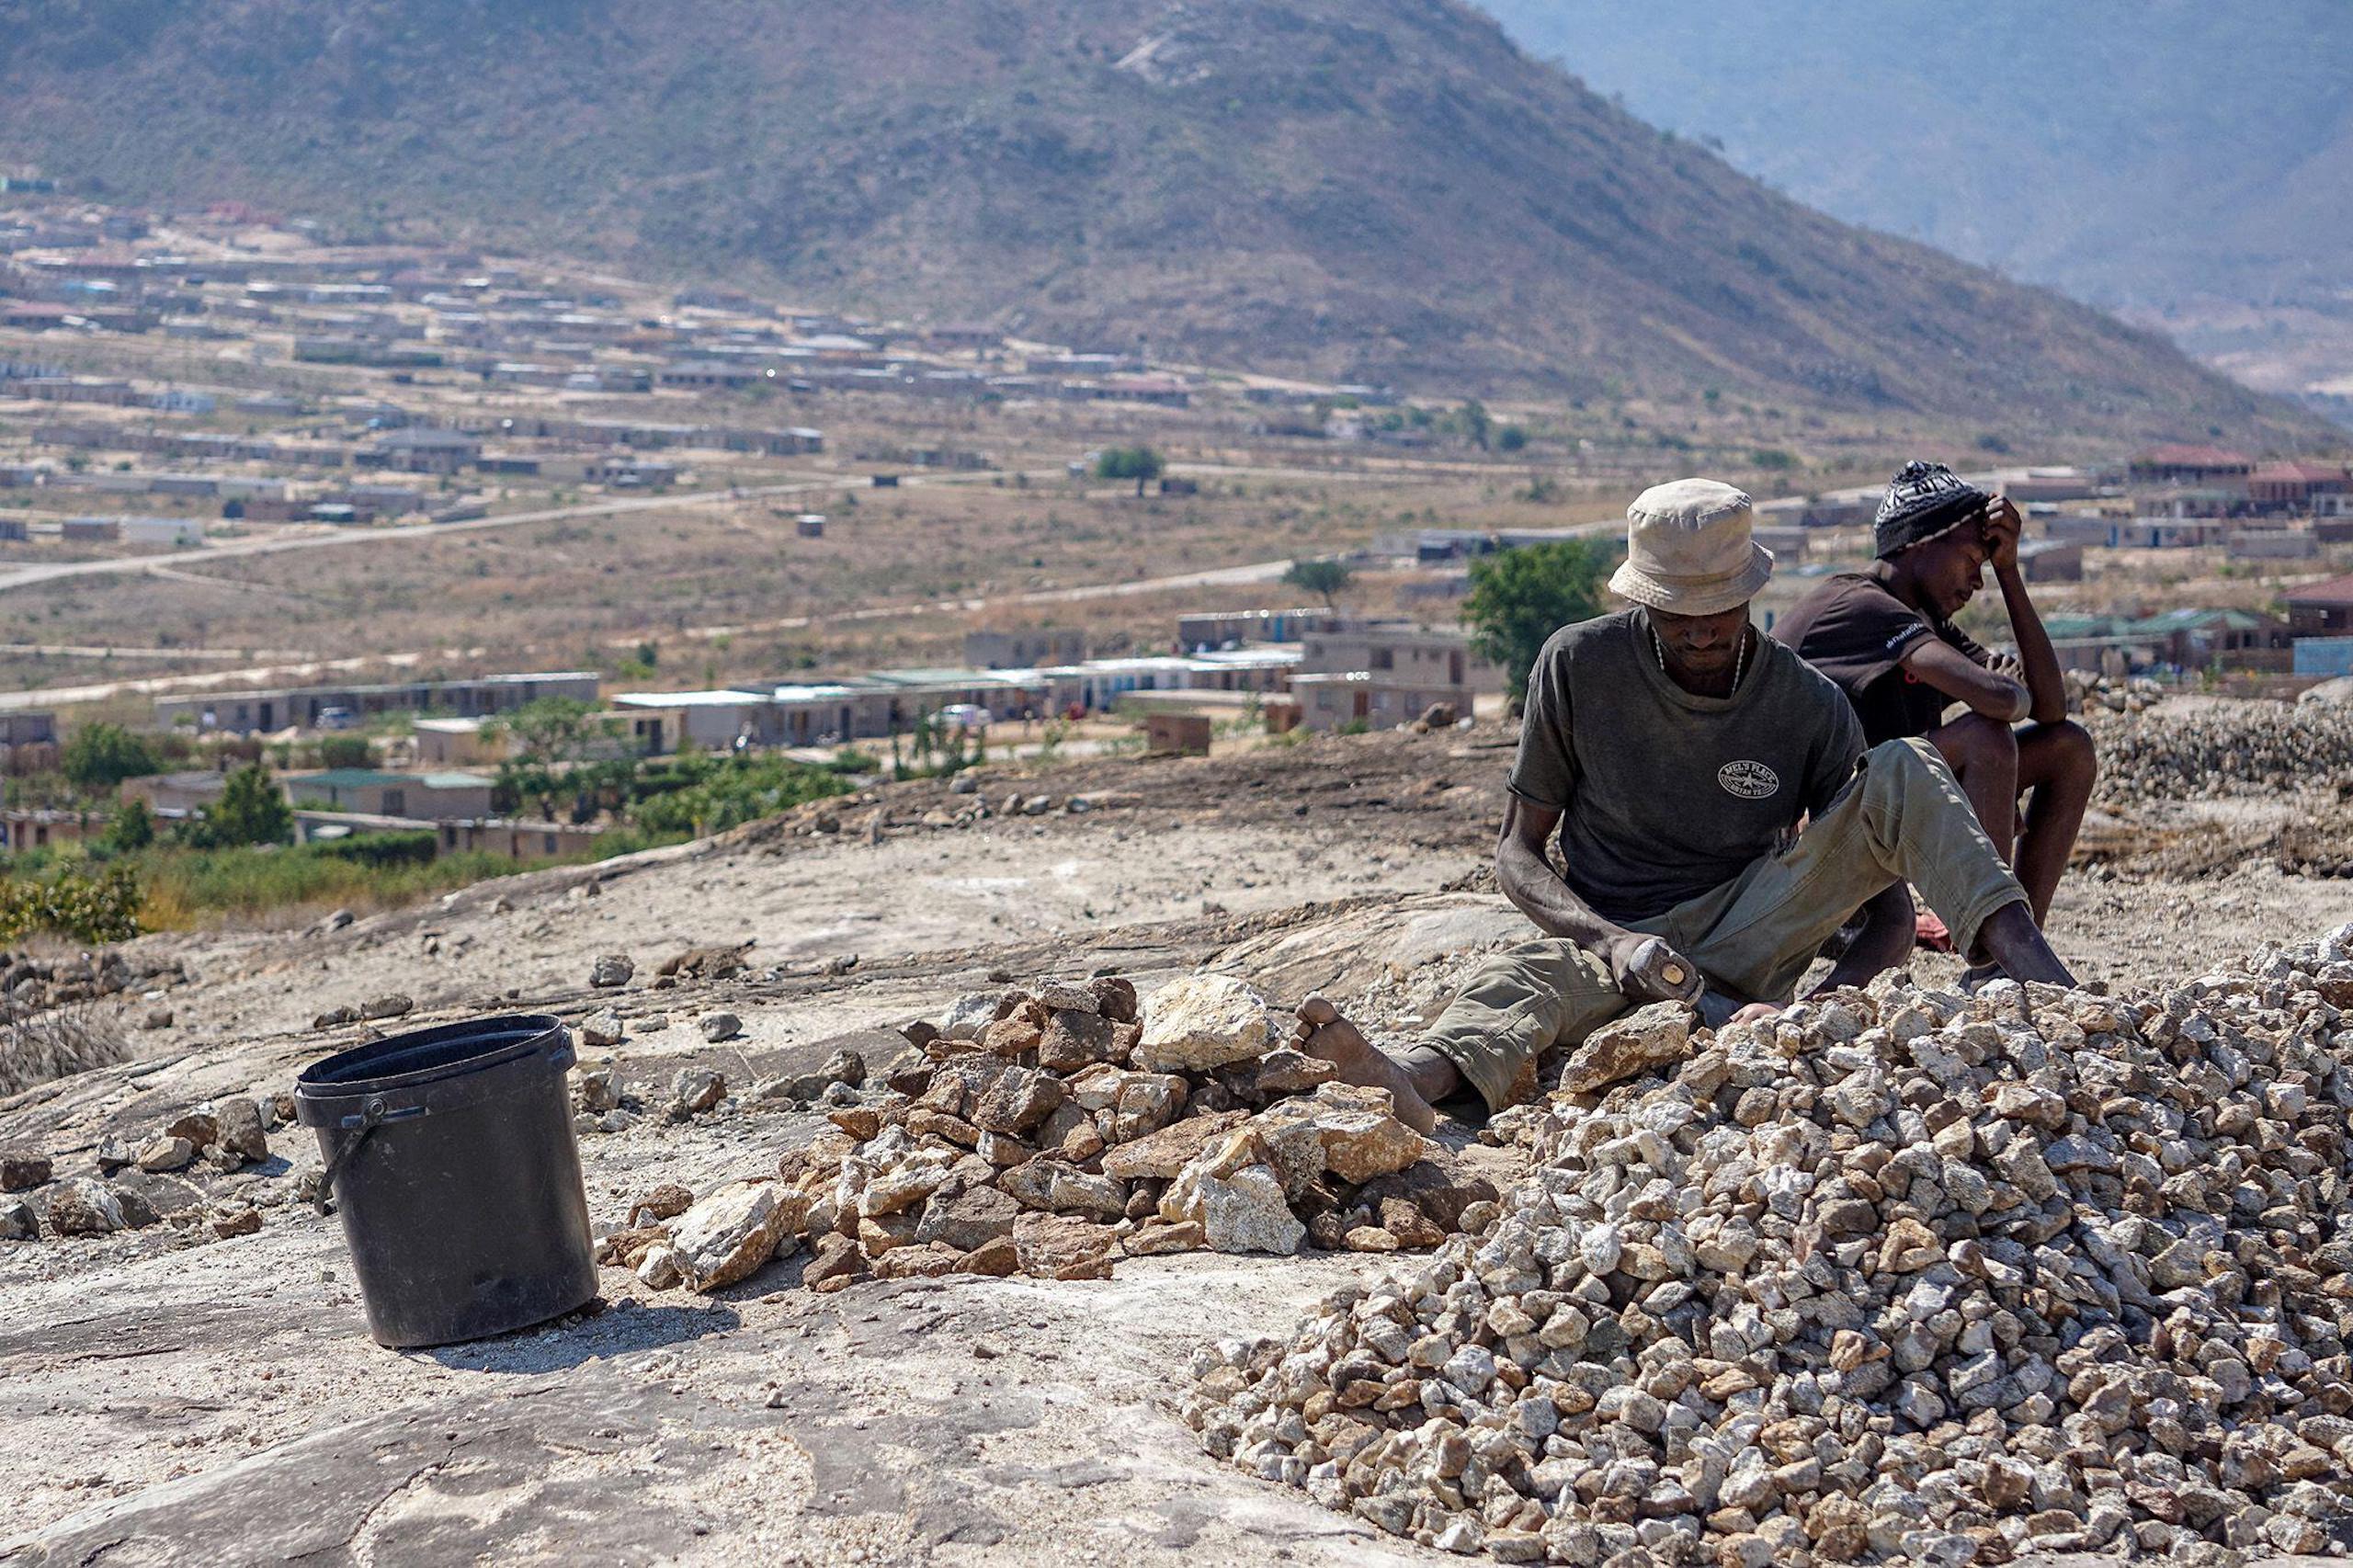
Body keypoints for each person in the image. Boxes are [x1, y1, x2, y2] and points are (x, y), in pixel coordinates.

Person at [1293, 477, 2075, 1133]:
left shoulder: (1805, 704)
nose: (1701, 632)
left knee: (1905, 766)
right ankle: (1405, 1080)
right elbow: (1517, 852)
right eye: (1677, 614)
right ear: (1642, 600)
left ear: (1751, 593)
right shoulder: (1578, 664)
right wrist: (1608, 941)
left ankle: (2043, 986)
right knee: (1522, 983)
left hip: (1754, 930)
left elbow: (1890, 918)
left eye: (1720, 611)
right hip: (1618, 942)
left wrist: (1813, 1017)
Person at [1772, 460, 2096, 933]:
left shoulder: (1924, 620)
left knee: (2068, 748)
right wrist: (2002, 692)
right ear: (1919, 543)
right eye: (1971, 560)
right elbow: (2002, 702)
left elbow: (2050, 709)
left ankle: (2014, 937)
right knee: (1986, 737)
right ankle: (1997, 939)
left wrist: (2010, 573)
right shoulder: (1860, 604)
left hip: (1883, 806)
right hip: (1812, 838)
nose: (1977, 581)